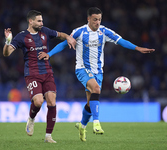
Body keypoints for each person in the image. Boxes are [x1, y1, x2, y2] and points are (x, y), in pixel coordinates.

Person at [38, 7, 155, 142]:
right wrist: (49, 54)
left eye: (99, 19)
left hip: (98, 71)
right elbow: (64, 44)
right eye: (95, 20)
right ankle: (97, 123)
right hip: (82, 69)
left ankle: (82, 126)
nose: (97, 22)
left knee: (90, 103)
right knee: (97, 89)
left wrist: (138, 48)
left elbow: (121, 41)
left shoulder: (104, 31)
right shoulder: (79, 32)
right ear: (88, 19)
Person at [3, 10, 76, 143]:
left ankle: (48, 136)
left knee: (52, 101)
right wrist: (7, 41)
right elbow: (7, 54)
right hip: (32, 74)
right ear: (30, 21)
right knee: (38, 102)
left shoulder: (45, 31)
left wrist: (68, 37)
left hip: (47, 72)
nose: (42, 23)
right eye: (39, 21)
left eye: (42, 20)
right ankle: (31, 118)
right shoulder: (21, 37)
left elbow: (60, 34)